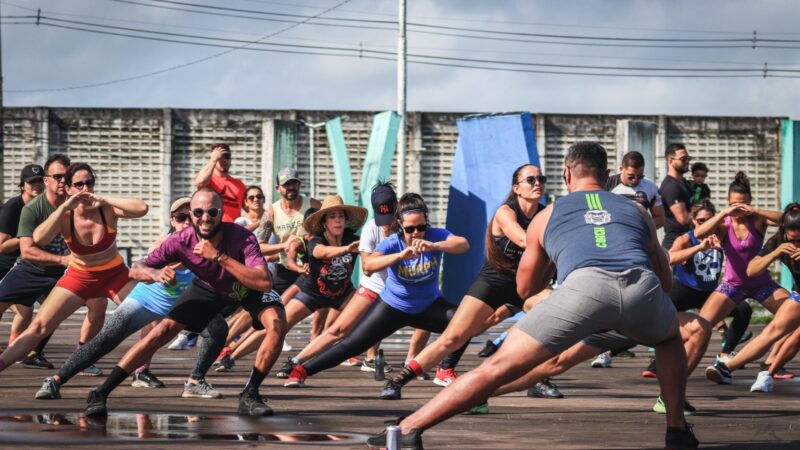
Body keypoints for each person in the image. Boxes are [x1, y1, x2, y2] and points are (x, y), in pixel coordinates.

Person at [366, 141, 697, 450]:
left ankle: (408, 429)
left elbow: (525, 289)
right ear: (607, 174)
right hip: (641, 288)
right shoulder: (638, 211)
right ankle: (677, 429)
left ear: (568, 173)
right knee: (669, 340)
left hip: (583, 289)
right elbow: (664, 278)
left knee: (497, 365)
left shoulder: (547, 214)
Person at [81, 188, 285, 418]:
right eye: (198, 212)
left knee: (276, 324)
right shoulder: (180, 240)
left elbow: (264, 282)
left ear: (222, 213)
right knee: (163, 330)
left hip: (248, 288)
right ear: (191, 214)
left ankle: (250, 394)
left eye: (212, 211)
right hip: (211, 287)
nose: (205, 218)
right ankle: (101, 392)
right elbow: (137, 267)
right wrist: (154, 273)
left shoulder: (242, 237)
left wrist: (218, 256)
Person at [379, 163, 552, 401]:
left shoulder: (545, 214)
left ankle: (538, 379)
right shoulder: (506, 212)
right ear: (517, 187)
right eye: (531, 180)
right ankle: (400, 379)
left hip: (528, 285)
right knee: (455, 335)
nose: (538, 184)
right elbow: (524, 240)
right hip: (495, 280)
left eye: (541, 179)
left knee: (552, 312)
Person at [33, 197, 226, 398]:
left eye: (191, 216)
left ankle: (194, 381)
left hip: (185, 303)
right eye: (180, 217)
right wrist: (155, 273)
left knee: (218, 329)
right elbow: (136, 270)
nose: (186, 222)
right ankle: (56, 380)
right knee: (106, 338)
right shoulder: (165, 243)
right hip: (149, 298)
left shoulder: (209, 245)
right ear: (172, 221)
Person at [283, 193, 470, 388]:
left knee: (467, 323)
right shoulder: (392, 242)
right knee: (351, 344)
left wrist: (435, 245)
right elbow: (369, 265)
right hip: (393, 306)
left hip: (427, 306)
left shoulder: (435, 235)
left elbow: (463, 244)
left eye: (421, 227)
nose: (416, 233)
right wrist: (399, 256)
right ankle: (301, 370)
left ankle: (445, 370)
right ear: (399, 223)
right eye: (410, 228)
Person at [0, 162, 149, 374]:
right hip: (80, 276)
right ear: (68, 188)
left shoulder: (105, 209)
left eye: (89, 183)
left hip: (114, 275)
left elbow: (142, 208)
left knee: (153, 314)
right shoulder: (65, 215)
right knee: (39, 327)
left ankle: (140, 371)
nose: (85, 189)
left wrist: (104, 199)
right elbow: (39, 237)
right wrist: (63, 207)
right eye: (78, 184)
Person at [226, 195, 366, 372]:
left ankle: (369, 358)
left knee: (370, 310)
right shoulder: (316, 239)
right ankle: (230, 357)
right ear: (324, 222)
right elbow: (321, 252)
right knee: (277, 325)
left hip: (343, 293)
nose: (337, 220)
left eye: (341, 216)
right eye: (332, 216)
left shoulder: (352, 238)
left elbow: (373, 254)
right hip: (311, 292)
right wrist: (345, 250)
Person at [690, 172, 786, 365]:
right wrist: (723, 213)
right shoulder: (724, 224)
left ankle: (773, 364)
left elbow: (787, 220)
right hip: (732, 285)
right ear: (728, 201)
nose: (738, 208)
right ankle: (673, 364)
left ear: (749, 201)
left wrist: (756, 210)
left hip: (761, 283)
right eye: (734, 203)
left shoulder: (757, 220)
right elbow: (698, 233)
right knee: (699, 326)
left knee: (792, 317)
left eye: (743, 203)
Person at [708, 203, 800, 391]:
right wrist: (775, 253)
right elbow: (751, 270)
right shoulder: (779, 240)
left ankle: (769, 370)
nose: (796, 244)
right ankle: (726, 368)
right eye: (793, 239)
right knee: (773, 329)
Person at [0, 165, 45, 350]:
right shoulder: (13, 207)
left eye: (40, 180)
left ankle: (13, 348)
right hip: (5, 264)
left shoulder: (45, 206)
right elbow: (2, 245)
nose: (36, 185)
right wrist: (27, 237)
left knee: (26, 310)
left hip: (27, 264)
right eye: (31, 182)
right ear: (22, 185)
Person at [606, 151, 665, 228]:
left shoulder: (651, 186)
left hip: (638, 237)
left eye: (640, 176)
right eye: (631, 176)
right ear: (621, 169)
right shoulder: (607, 184)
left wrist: (641, 229)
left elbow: (660, 218)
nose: (635, 180)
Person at [195, 143, 246, 223]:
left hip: (233, 229)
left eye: (227, 157)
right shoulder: (209, 180)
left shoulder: (239, 185)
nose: (224, 160)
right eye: (220, 157)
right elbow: (200, 182)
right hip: (212, 227)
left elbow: (250, 208)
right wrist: (214, 159)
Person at [660, 143, 694, 249]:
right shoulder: (672, 187)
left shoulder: (683, 183)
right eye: (683, 159)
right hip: (675, 246)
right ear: (670, 161)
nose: (687, 162)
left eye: (688, 158)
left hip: (687, 242)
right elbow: (683, 219)